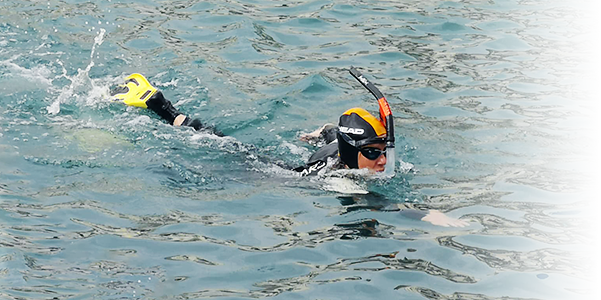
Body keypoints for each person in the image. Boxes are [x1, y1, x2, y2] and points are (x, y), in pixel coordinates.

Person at [111, 73, 469, 227]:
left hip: (296, 161)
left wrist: (318, 133)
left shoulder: (342, 148)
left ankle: (163, 106)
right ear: (351, 151)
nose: (382, 161)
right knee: (214, 145)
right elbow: (387, 206)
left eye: (384, 151)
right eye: (373, 153)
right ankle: (156, 104)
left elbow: (333, 130)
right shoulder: (344, 183)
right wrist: (431, 216)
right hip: (268, 175)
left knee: (218, 139)